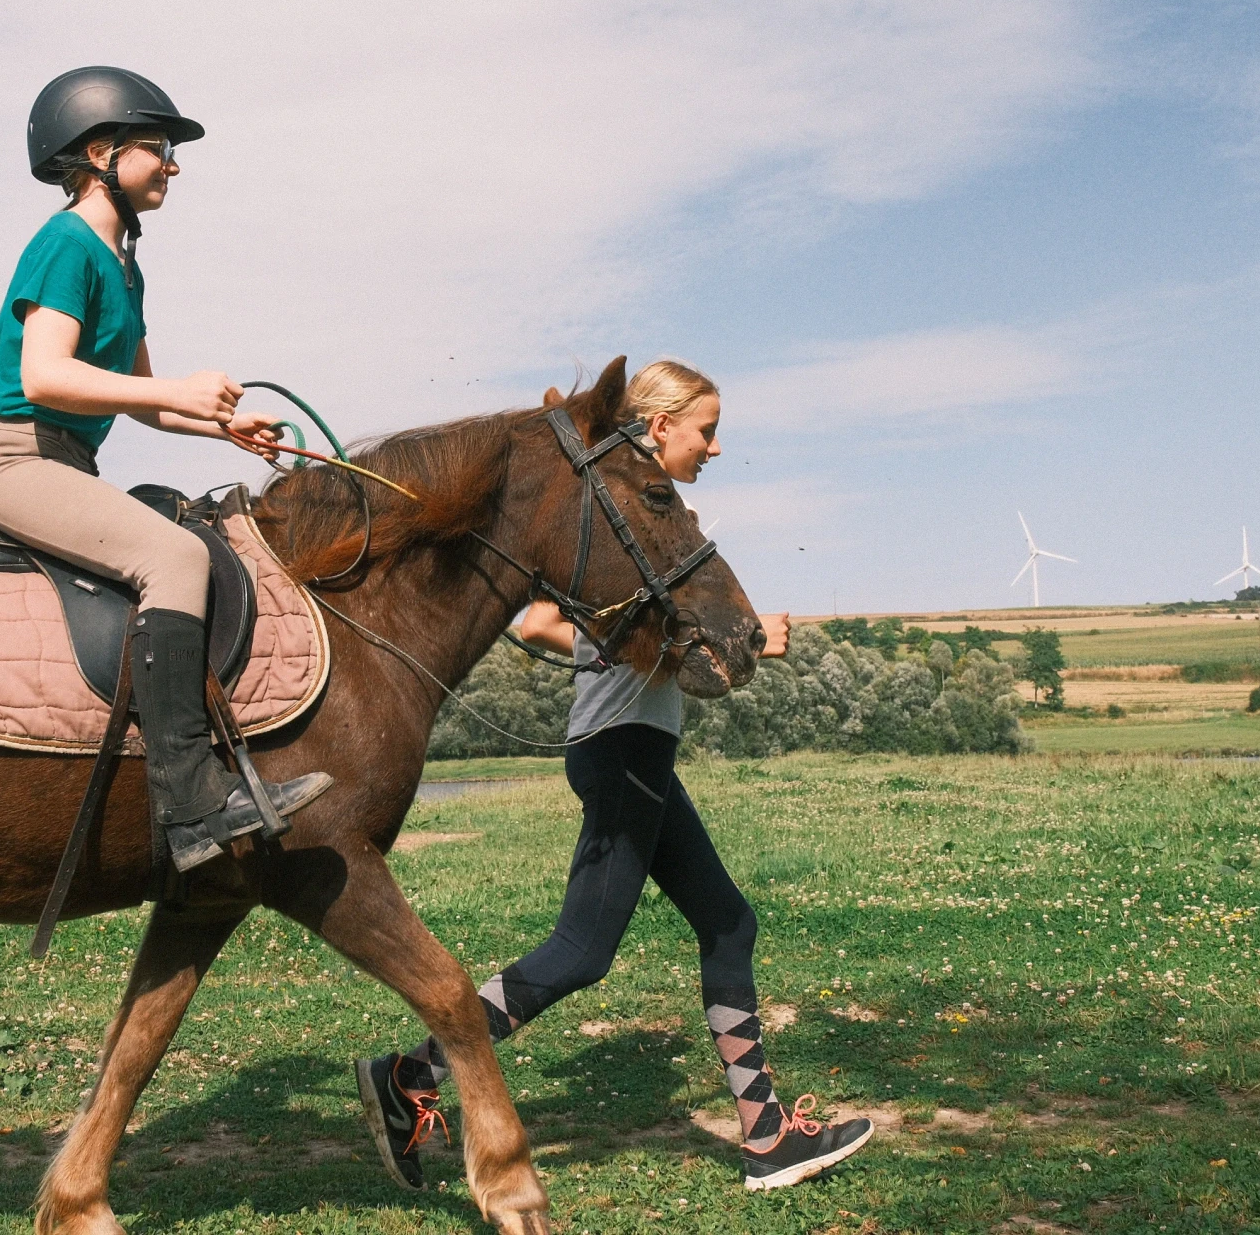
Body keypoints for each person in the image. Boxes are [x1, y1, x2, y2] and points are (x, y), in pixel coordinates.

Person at [353, 359, 873, 1193]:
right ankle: (410, 1076)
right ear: (659, 426)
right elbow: (537, 621)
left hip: (633, 748)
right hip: (620, 747)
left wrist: (646, 646)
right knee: (583, 950)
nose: (714, 445)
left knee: (727, 923)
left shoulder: (646, 522)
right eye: (705, 428)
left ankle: (766, 1131)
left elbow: (554, 628)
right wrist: (728, 647)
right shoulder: (611, 514)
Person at [0, 66, 329, 874]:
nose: (172, 164)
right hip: (8, 457)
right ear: (100, 151)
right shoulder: (64, 244)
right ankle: (191, 804)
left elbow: (141, 399)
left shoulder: (123, 264)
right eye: (157, 147)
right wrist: (175, 390)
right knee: (176, 555)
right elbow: (46, 378)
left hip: (65, 459)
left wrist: (227, 424)